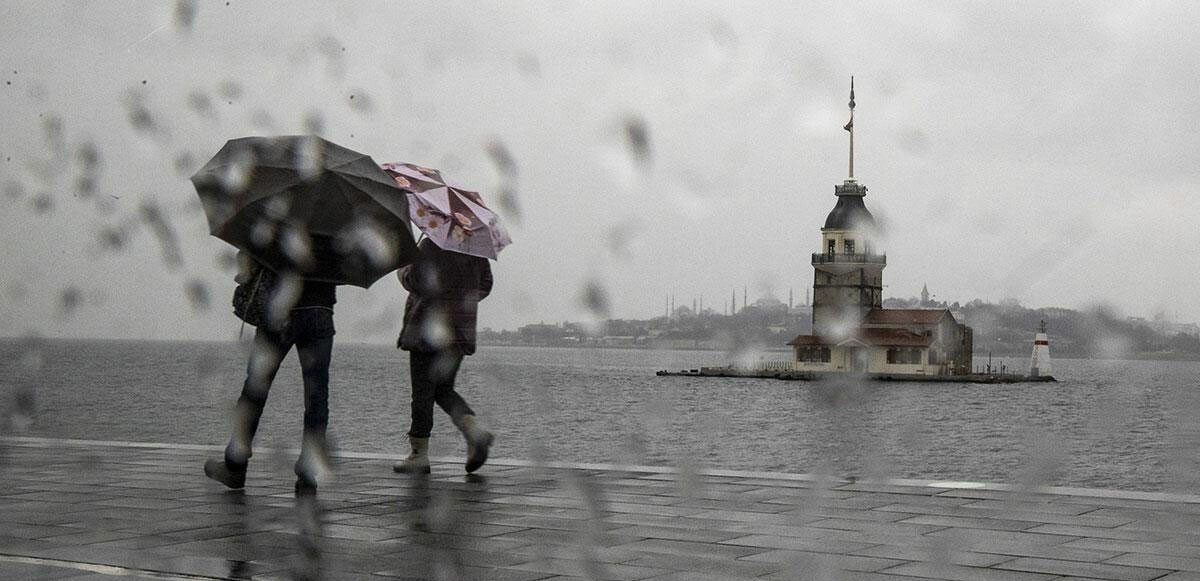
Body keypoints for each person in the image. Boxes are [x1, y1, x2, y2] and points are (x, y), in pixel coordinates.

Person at [204, 251, 338, 494]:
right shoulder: (339, 220)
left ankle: (235, 465)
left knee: (255, 389)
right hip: (320, 311)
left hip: (280, 310)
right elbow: (343, 268)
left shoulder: (281, 216)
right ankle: (308, 475)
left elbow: (252, 256)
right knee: (317, 396)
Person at [393, 237, 494, 474]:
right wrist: (459, 296)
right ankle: (474, 432)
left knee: (422, 393)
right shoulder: (474, 248)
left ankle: (419, 454)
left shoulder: (431, 245)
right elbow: (486, 285)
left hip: (427, 331)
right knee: (442, 389)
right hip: (459, 332)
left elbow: (417, 280)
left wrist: (403, 270)